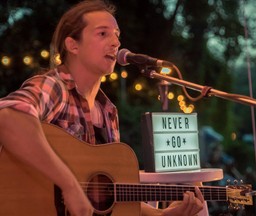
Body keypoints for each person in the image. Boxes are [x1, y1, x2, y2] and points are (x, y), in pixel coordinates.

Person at [0, 0, 204, 215]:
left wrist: (162, 214)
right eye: (103, 34)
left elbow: (109, 196)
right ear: (73, 45)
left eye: (117, 34)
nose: (116, 43)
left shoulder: (107, 111)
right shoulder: (54, 86)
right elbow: (7, 117)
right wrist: (69, 185)